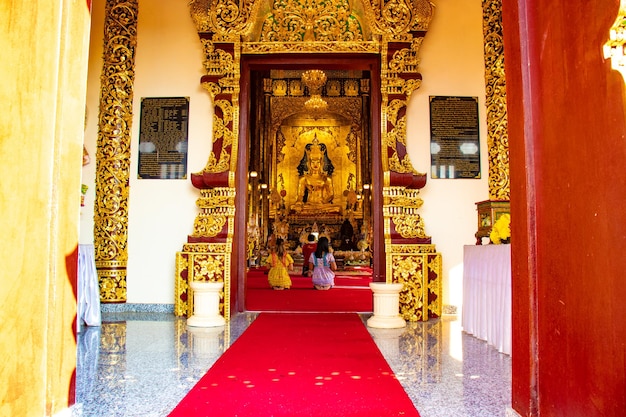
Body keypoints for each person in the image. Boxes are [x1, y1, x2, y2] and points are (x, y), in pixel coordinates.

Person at [290, 138, 341, 214]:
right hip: (309, 205)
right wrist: (299, 202)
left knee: (336, 208)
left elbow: (331, 195)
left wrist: (324, 201)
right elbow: (300, 196)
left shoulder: (326, 179)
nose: (315, 164)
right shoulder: (304, 179)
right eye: (313, 162)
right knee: (293, 207)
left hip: (322, 205)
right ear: (309, 163)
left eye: (318, 162)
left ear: (321, 163)